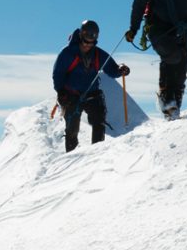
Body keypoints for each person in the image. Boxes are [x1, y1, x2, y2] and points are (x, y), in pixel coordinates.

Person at [53, 20, 131, 152]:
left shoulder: (98, 54)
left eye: (92, 37)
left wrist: (120, 69)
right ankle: (71, 157)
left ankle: (97, 153)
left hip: (92, 93)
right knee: (72, 129)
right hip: (71, 95)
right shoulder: (67, 53)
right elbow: (58, 74)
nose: (88, 43)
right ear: (81, 35)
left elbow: (112, 68)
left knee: (99, 120)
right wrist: (60, 91)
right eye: (86, 36)